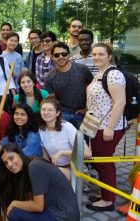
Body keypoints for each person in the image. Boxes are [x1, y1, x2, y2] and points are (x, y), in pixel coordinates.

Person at [86, 43, 126, 211]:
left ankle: (108, 201)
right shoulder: (100, 73)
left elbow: (120, 102)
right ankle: (105, 194)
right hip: (96, 124)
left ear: (109, 56)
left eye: (101, 54)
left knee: (104, 162)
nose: (96, 57)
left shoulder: (113, 74)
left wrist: (109, 127)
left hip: (108, 126)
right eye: (94, 54)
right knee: (99, 160)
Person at [0, 143, 80, 221]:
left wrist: (14, 203)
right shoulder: (26, 168)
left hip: (64, 216)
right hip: (54, 211)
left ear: (19, 154)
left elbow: (38, 206)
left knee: (15, 213)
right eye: (6, 163)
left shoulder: (34, 166)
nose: (10, 164)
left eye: (11, 158)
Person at [39, 95, 92, 179]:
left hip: (73, 167)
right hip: (55, 168)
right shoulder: (41, 130)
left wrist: (62, 153)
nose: (46, 112)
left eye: (50, 110)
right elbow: (45, 155)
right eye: (43, 110)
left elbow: (88, 153)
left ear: (57, 113)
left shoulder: (67, 127)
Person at [44, 42, 93, 129]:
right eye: (57, 55)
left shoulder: (82, 69)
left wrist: (87, 108)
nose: (61, 57)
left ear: (69, 55)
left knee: (82, 141)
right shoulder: (49, 77)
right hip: (62, 115)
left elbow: (93, 88)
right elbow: (50, 100)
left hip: (81, 114)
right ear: (52, 57)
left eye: (64, 54)